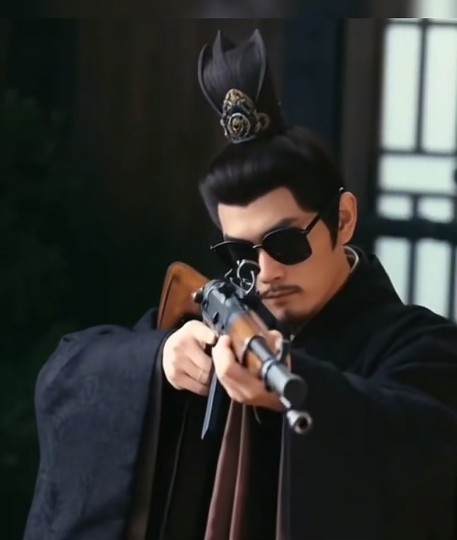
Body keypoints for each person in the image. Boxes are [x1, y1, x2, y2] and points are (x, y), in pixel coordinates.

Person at [23, 29, 456, 540]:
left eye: (286, 242)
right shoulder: (220, 316)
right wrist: (160, 361)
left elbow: (428, 445)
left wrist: (303, 391)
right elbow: (67, 376)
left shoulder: (422, 345)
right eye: (240, 253)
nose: (266, 272)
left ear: (342, 219)